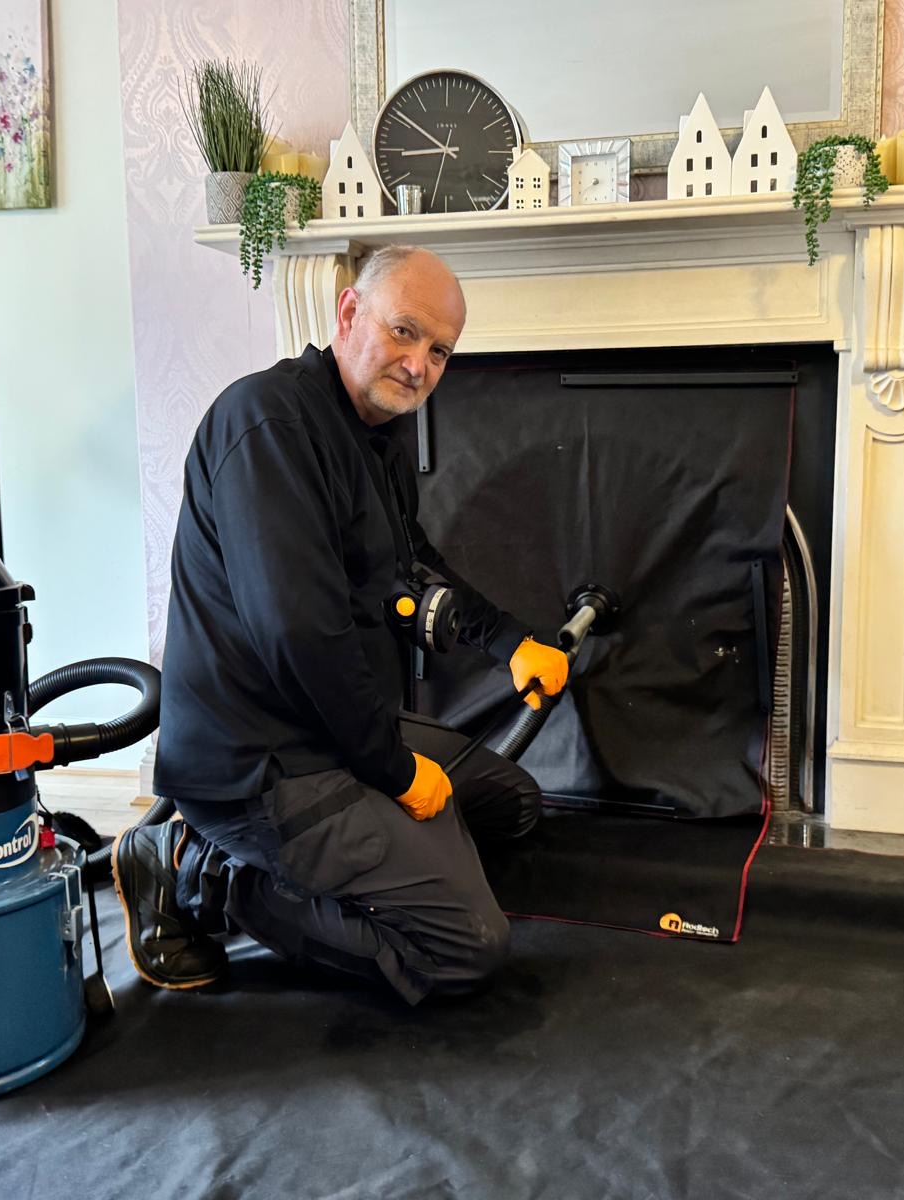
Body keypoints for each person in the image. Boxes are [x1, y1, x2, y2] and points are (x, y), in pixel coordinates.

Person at [112, 245, 569, 1005]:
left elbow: (411, 563)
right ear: (349, 313)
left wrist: (509, 641)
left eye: (439, 351)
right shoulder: (267, 424)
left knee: (510, 806)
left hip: (331, 730)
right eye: (404, 331)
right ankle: (202, 870)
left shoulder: (374, 432)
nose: (418, 364)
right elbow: (298, 634)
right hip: (259, 761)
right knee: (467, 948)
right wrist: (394, 771)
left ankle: (341, 860)